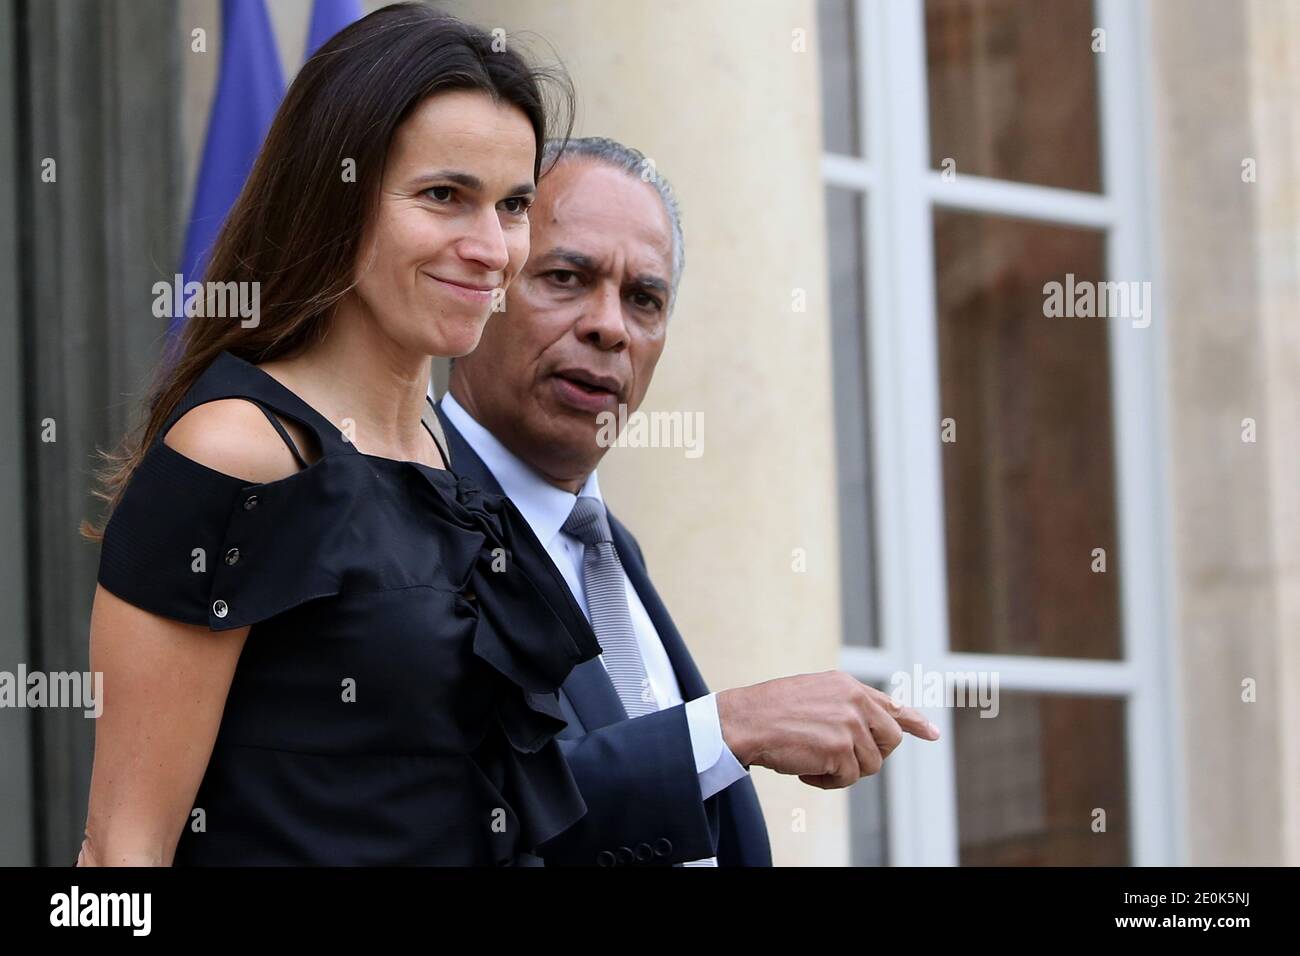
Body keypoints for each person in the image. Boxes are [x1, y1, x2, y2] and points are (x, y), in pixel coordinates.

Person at [77, 3, 597, 866]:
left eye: (513, 205)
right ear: (336, 195)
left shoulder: (447, 453)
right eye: (443, 196)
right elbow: (122, 849)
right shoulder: (238, 453)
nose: (490, 246)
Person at [436, 137, 942, 867]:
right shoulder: (405, 518)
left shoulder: (608, 546)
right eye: (567, 277)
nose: (610, 326)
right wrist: (730, 729)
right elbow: (471, 817)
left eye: (644, 299)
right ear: (483, 285)